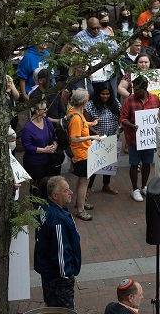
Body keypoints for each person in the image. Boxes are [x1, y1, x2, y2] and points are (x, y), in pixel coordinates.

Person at [34, 176, 81, 310]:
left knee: (52, 306)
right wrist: (67, 275)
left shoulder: (45, 208)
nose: (71, 192)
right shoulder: (57, 220)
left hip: (48, 271)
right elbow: (60, 251)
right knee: (65, 310)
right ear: (55, 195)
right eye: (66, 191)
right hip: (58, 277)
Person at [120, 76, 160, 202]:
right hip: (133, 139)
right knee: (134, 164)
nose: (134, 91)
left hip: (148, 139)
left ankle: (144, 186)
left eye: (137, 89)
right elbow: (122, 118)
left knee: (147, 163)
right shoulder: (128, 101)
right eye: (133, 88)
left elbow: (159, 115)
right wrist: (131, 126)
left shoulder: (155, 99)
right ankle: (135, 189)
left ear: (145, 88)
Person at [68, 89, 101, 221]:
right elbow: (74, 138)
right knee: (83, 181)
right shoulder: (76, 117)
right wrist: (92, 137)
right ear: (83, 101)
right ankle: (80, 209)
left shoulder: (74, 112)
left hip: (83, 153)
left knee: (82, 180)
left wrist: (90, 124)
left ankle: (79, 202)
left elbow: (80, 123)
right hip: (81, 154)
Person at [85, 82, 120, 195]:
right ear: (98, 94)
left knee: (109, 163)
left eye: (107, 94)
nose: (105, 96)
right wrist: (97, 134)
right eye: (102, 94)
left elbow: (121, 116)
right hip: (96, 139)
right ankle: (88, 188)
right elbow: (86, 124)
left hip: (111, 138)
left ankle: (106, 185)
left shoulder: (115, 103)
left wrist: (120, 128)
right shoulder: (90, 105)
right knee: (94, 165)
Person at [21, 100, 59, 184]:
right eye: (44, 108)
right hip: (35, 163)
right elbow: (28, 147)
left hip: (49, 161)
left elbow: (53, 137)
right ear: (37, 111)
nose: (46, 110)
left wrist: (54, 145)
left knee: (48, 186)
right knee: (37, 188)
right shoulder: (27, 128)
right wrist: (44, 150)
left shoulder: (47, 121)